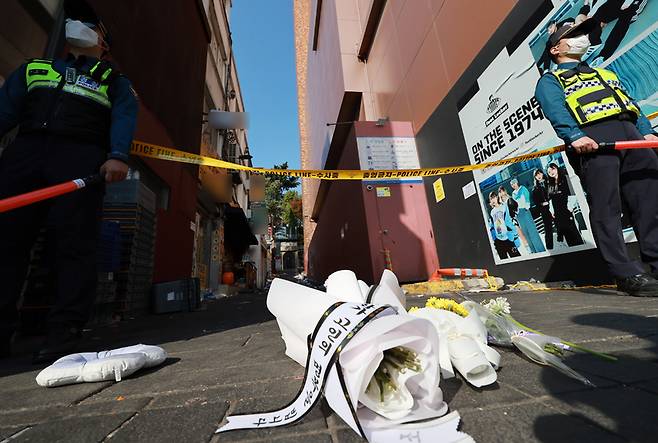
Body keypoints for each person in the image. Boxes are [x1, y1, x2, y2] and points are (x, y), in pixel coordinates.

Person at [0, 6, 138, 362]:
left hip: (80, 160)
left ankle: (64, 330)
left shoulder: (113, 81)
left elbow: (124, 118)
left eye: (91, 26)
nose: (80, 27)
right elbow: (4, 110)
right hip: (26, 154)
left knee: (74, 244)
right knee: (8, 242)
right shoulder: (35, 68)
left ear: (103, 43)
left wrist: (118, 155)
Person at [535, 18, 658, 297]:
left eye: (582, 33)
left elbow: (631, 103)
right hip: (593, 141)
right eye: (573, 34)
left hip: (632, 137)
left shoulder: (606, 74)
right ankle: (626, 274)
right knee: (607, 209)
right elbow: (555, 108)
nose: (581, 38)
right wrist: (574, 136)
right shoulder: (551, 80)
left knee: (649, 204)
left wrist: (646, 132)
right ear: (556, 49)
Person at [546, 163, 585, 247]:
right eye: (549, 172)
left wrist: (570, 207)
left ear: (556, 168)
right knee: (567, 236)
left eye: (552, 169)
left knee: (573, 231)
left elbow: (572, 193)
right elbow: (550, 199)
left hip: (566, 210)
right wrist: (552, 210)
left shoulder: (565, 178)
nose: (551, 172)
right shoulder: (550, 184)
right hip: (557, 213)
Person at [511, 178, 546, 253]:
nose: (513, 185)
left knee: (532, 231)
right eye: (512, 184)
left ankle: (540, 250)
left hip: (525, 210)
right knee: (526, 233)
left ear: (517, 182)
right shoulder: (513, 193)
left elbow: (527, 198)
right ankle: (533, 251)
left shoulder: (523, 189)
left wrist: (527, 206)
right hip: (519, 214)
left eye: (514, 183)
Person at [488, 191, 521, 259]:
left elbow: (510, 221)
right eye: (491, 199)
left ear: (497, 197)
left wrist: (514, 236)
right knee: (504, 261)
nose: (492, 200)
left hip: (508, 238)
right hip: (499, 240)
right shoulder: (492, 212)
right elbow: (492, 226)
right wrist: (494, 239)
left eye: (494, 197)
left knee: (516, 258)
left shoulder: (504, 207)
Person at [532, 169, 555, 250]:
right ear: (535, 177)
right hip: (545, 211)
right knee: (548, 229)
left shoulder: (549, 182)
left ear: (542, 173)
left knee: (561, 224)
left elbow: (554, 193)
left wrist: (550, 202)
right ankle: (549, 248)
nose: (538, 176)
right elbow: (536, 203)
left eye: (539, 173)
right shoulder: (535, 189)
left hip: (554, 207)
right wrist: (542, 204)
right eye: (536, 175)